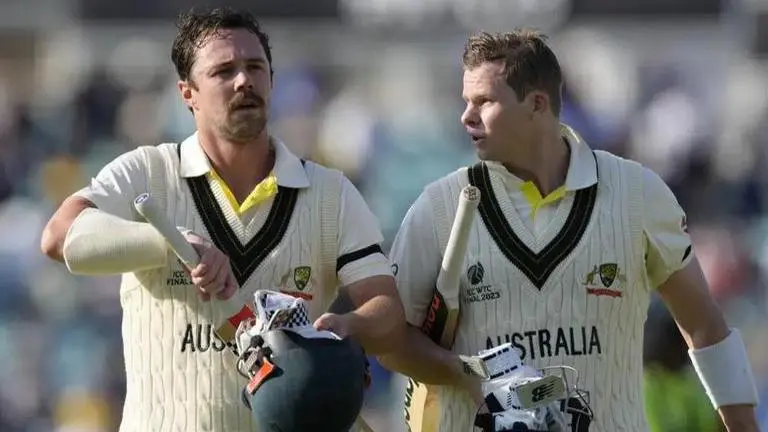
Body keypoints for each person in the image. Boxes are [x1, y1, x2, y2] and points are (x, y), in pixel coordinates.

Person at [39, 7, 405, 432]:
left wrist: (346, 327)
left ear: (271, 79)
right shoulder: (147, 172)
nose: (244, 80)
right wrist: (170, 244)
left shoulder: (331, 193)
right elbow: (59, 236)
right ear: (187, 93)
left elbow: (388, 312)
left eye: (255, 67)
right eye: (223, 71)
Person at [378, 29, 760, 431]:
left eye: (484, 101)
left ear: (537, 105)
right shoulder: (436, 209)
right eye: (466, 101)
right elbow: (390, 340)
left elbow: (704, 326)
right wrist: (467, 372)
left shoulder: (637, 194)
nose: (466, 116)